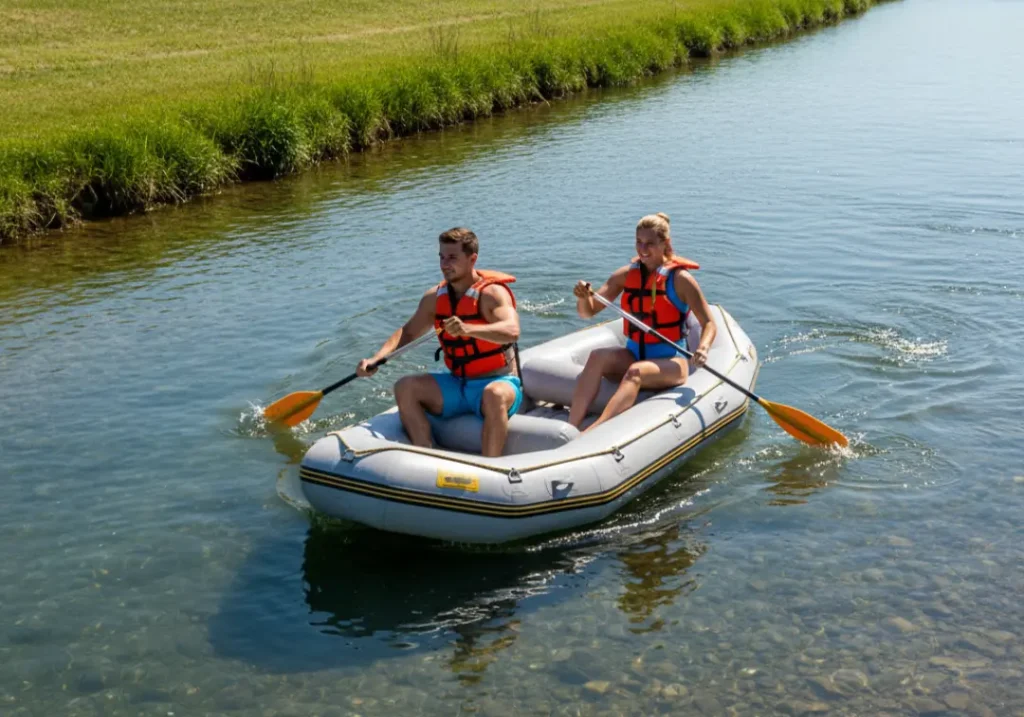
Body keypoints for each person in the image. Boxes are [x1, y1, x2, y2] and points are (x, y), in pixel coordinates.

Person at [356, 228, 523, 457]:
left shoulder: (492, 294)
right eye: (441, 257)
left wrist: (468, 329)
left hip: (499, 381)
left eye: (452, 258)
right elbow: (407, 332)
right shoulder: (434, 297)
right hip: (457, 383)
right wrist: (376, 358)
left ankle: (490, 467)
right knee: (405, 387)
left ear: (472, 259)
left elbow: (512, 331)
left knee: (493, 394)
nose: (445, 264)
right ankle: (424, 454)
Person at [568, 212, 717, 432]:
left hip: (672, 362)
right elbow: (587, 312)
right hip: (634, 352)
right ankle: (570, 427)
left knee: (636, 371)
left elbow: (709, 323)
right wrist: (582, 297)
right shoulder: (627, 275)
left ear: (665, 244)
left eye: (650, 243)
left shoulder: (681, 280)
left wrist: (703, 348)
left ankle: (593, 432)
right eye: (639, 242)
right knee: (597, 357)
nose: (643, 249)